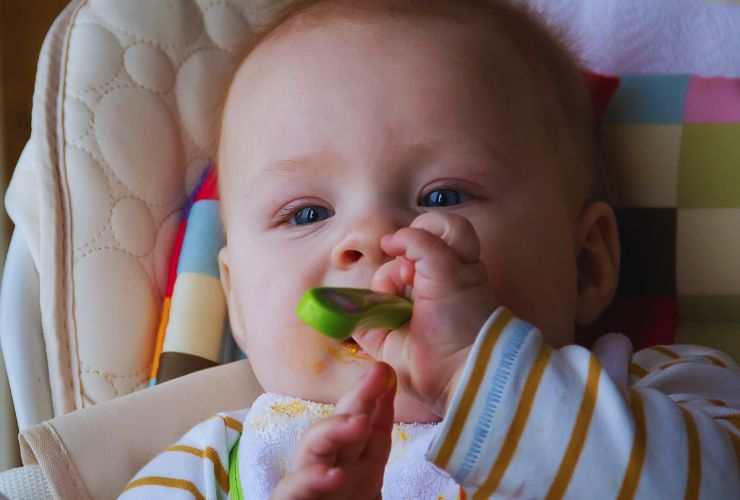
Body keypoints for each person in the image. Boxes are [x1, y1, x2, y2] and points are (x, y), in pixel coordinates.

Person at [120, 0, 740, 498]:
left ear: (587, 264)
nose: (368, 240)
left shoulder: (659, 394)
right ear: (239, 306)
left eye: (442, 198)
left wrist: (484, 369)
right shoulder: (215, 462)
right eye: (306, 213)